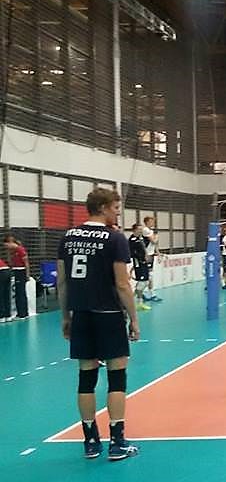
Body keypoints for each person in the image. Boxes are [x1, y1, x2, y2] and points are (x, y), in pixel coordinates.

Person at [57, 188, 140, 461]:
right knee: (117, 376)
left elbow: (62, 282)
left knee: (86, 377)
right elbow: (122, 283)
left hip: (81, 314)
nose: (118, 212)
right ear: (103, 207)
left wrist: (66, 316)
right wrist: (134, 318)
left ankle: (90, 441)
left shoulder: (68, 237)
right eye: (116, 207)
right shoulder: (114, 238)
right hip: (108, 313)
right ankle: (117, 442)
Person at [4, 234, 29, 319]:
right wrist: (9, 253)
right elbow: (10, 263)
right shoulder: (13, 251)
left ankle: (23, 314)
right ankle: (21, 313)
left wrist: (27, 275)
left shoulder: (20, 249)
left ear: (10, 242)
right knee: (18, 292)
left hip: (21, 271)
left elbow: (26, 263)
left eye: (7, 245)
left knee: (21, 293)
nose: (6, 247)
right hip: (16, 271)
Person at [128, 223, 151, 312]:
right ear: (134, 230)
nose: (141, 231)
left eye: (142, 229)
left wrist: (146, 255)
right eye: (139, 229)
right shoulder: (132, 240)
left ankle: (132, 300)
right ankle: (138, 303)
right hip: (139, 263)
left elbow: (144, 248)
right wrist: (140, 258)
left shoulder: (141, 238)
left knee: (146, 281)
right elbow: (131, 253)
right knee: (142, 283)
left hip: (144, 262)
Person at [140, 216, 162, 302]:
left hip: (151, 255)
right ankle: (143, 294)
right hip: (146, 256)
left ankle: (150, 294)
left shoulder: (151, 231)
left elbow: (154, 244)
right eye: (151, 221)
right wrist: (157, 236)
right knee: (147, 276)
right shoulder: (146, 230)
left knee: (150, 276)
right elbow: (154, 241)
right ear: (147, 222)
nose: (153, 223)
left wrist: (158, 254)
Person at [0, 256, 10, 322]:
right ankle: (8, 315)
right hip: (7, 271)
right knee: (6, 295)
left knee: (1, 295)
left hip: (1, 272)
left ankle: (2, 316)